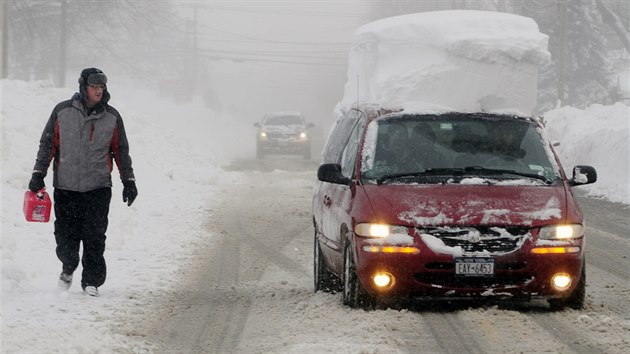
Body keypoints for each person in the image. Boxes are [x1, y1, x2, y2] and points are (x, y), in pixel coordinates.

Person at [28, 67, 138, 297]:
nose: (99, 91)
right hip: (66, 187)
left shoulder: (112, 117)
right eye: (94, 87)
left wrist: (128, 180)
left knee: (94, 236)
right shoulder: (62, 112)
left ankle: (91, 281)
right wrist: (39, 173)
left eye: (101, 87)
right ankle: (68, 266)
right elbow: (48, 145)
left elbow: (121, 151)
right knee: (65, 235)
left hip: (98, 187)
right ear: (83, 87)